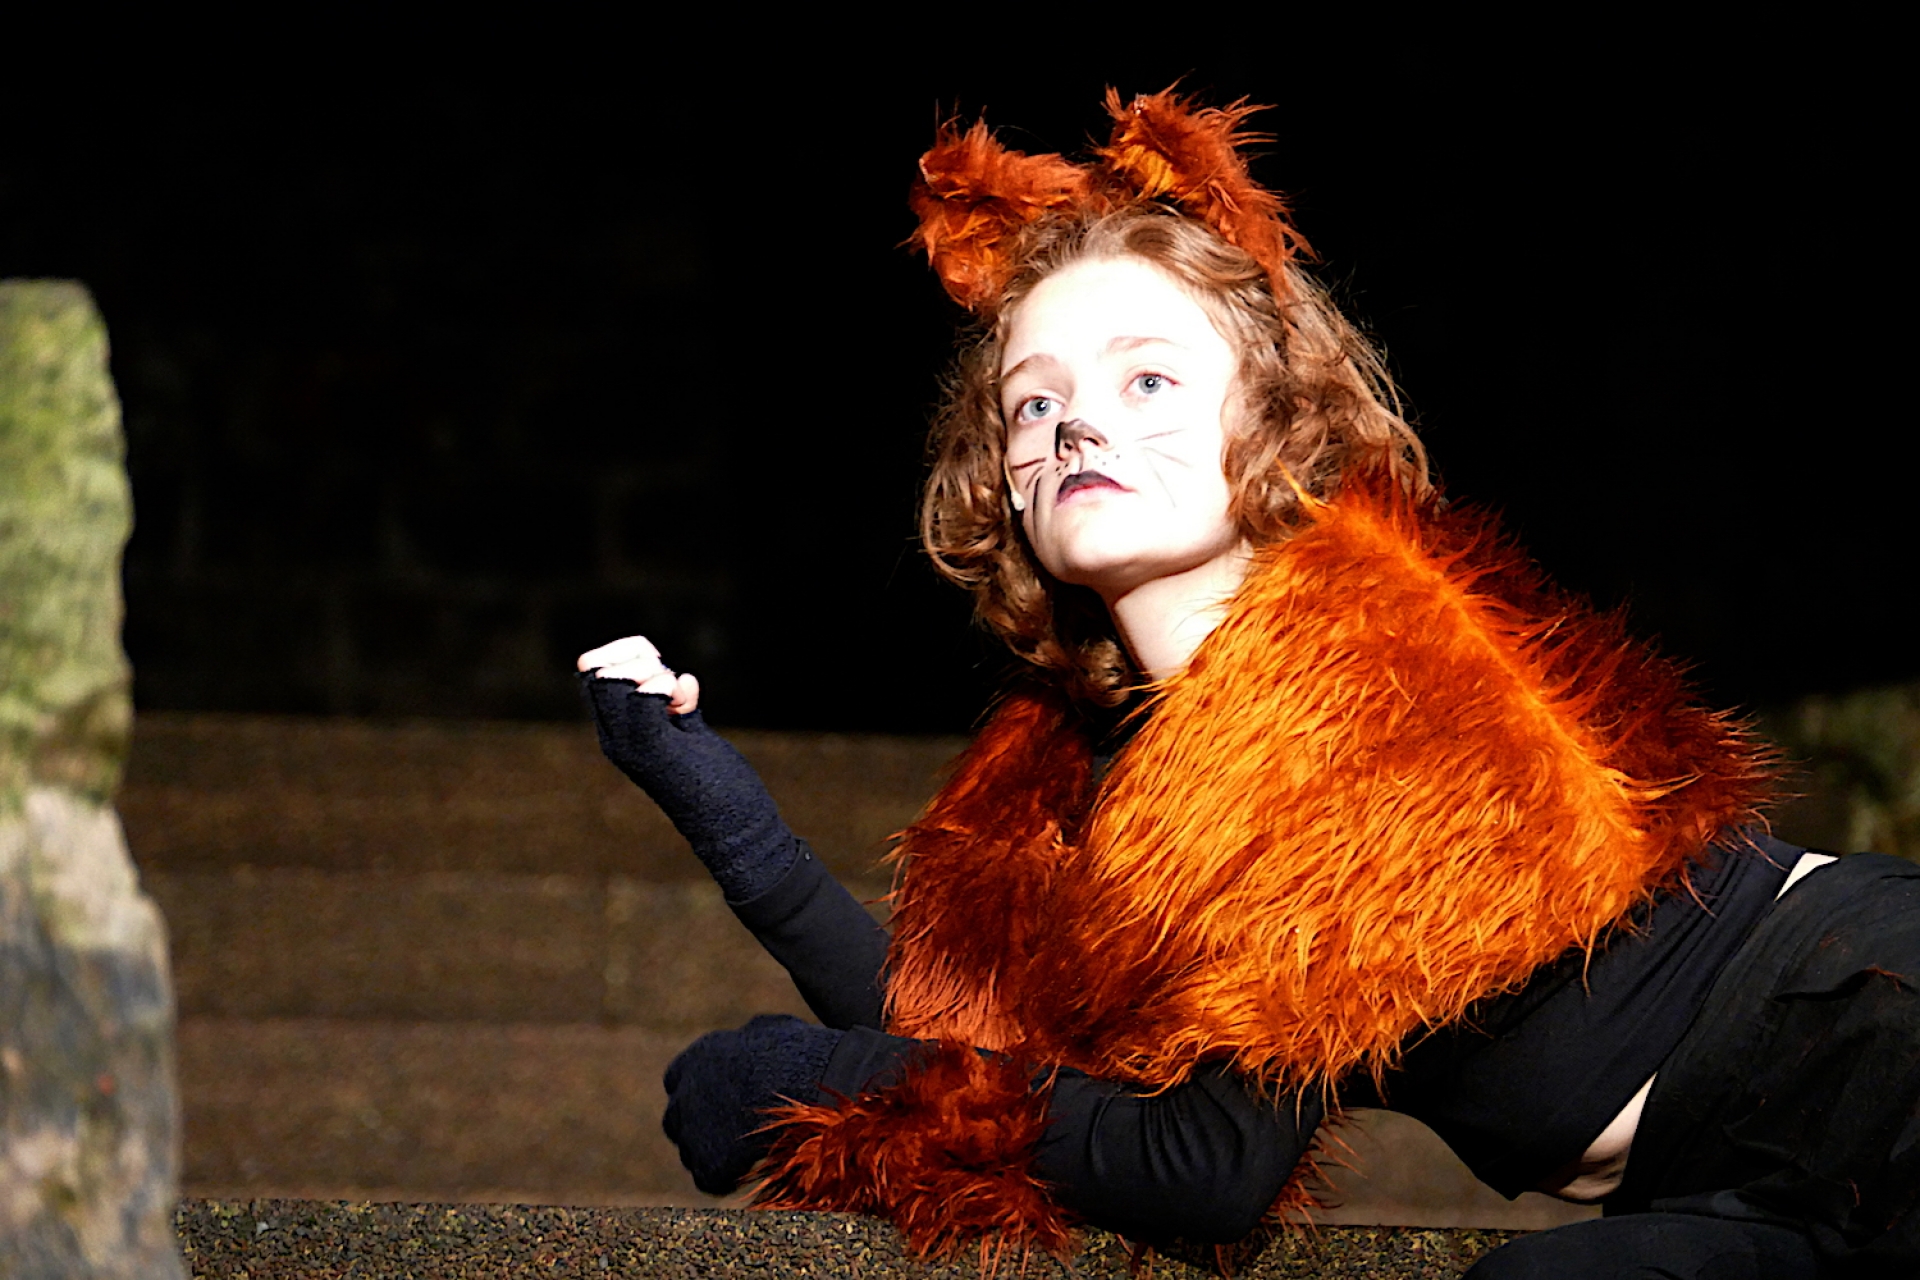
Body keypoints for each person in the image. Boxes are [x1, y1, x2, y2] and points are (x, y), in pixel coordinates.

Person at [577, 91, 1920, 1277]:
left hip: (1867, 1038)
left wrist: (821, 1077)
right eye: (1035, 403)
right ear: (1002, 479)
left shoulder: (1343, 676)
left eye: (1149, 379)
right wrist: (731, 823)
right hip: (1768, 1173)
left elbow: (1202, 1168)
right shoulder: (1099, 754)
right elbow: (982, 1042)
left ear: (1268, 423)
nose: (1079, 422)